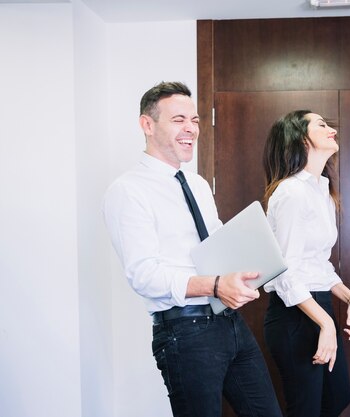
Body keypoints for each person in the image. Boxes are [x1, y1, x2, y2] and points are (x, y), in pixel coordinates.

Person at [102, 81, 282, 417]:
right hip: (184, 332)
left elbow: (215, 247)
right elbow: (144, 275)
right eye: (179, 120)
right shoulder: (127, 191)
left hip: (230, 322)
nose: (191, 129)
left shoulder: (197, 184)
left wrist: (243, 274)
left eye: (196, 120)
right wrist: (215, 285)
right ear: (147, 124)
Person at [262, 110, 350, 417]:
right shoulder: (291, 192)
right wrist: (326, 322)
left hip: (318, 307)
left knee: (336, 397)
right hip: (294, 315)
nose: (331, 129)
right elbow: (285, 273)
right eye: (321, 124)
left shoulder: (322, 190)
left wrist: (349, 297)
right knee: (306, 409)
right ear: (301, 138)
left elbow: (317, 262)